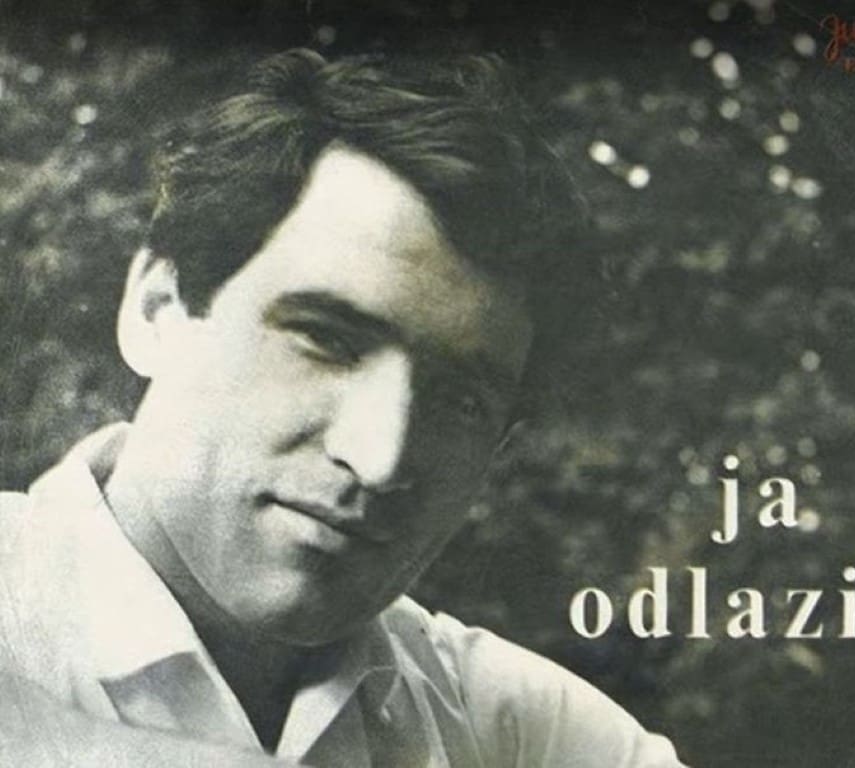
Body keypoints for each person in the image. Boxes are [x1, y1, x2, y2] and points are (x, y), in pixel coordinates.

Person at [0, 48, 686, 767]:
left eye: (461, 401)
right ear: (157, 308)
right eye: (326, 339)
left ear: (499, 450)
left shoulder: (514, 730)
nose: (380, 457)